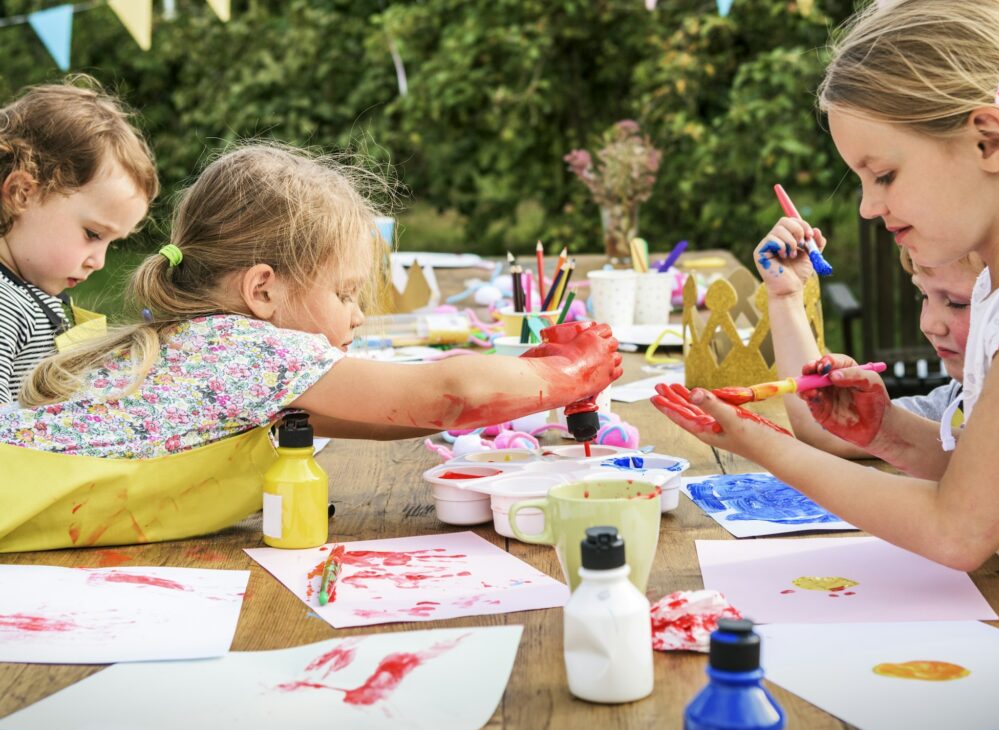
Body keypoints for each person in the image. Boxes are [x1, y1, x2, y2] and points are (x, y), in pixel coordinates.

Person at [0, 143, 621, 551]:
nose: (358, 315)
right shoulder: (251, 349)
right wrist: (572, 372)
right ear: (263, 290)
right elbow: (448, 395)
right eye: (346, 293)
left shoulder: (204, 342)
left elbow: (381, 417)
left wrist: (531, 383)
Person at [652, 0, 999, 572]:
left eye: (883, 175)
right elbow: (991, 475)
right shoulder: (997, 288)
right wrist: (890, 435)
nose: (867, 207)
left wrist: (758, 442)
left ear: (987, 141)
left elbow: (956, 530)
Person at [754, 214, 980, 457]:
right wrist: (786, 296)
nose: (928, 324)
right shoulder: (958, 401)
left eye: (957, 303)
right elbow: (825, 431)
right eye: (923, 295)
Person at [0, 79, 157, 403]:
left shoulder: (25, 291)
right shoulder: (5, 305)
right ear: (22, 193)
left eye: (111, 243)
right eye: (93, 234)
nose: (98, 261)